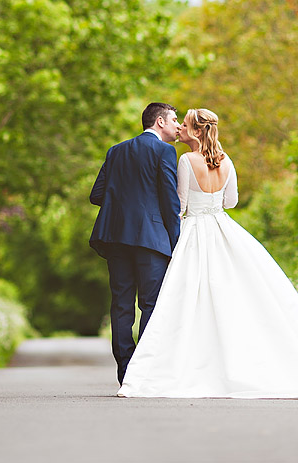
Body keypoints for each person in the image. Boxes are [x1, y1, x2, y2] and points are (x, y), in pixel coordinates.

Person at [117, 108, 298, 399]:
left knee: (184, 299)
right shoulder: (226, 161)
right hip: (221, 228)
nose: (179, 127)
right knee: (235, 296)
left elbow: (178, 205)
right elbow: (231, 201)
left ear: (195, 131)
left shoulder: (185, 160)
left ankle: (183, 364)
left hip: (194, 231)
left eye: (184, 124)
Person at [90, 102, 182, 386]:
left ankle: (125, 370)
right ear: (159, 122)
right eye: (174, 119)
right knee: (151, 304)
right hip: (151, 240)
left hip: (116, 237)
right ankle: (143, 371)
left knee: (121, 304)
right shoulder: (165, 151)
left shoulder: (116, 151)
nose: (178, 125)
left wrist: (123, 205)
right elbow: (170, 200)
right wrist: (177, 241)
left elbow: (97, 195)